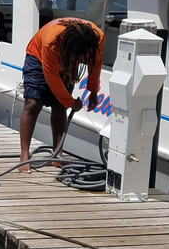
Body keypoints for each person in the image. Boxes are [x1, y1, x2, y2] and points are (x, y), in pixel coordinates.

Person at [18, 18, 104, 173]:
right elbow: (52, 78)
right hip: (38, 56)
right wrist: (71, 102)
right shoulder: (51, 40)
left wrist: (93, 91)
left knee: (59, 107)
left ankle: (57, 154)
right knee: (32, 103)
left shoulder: (97, 38)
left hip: (67, 55)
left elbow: (95, 64)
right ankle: (24, 155)